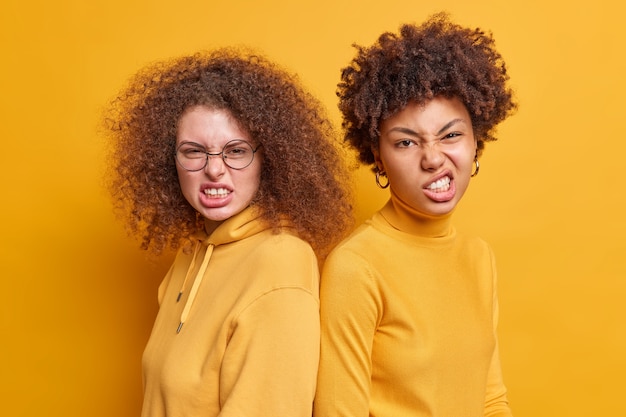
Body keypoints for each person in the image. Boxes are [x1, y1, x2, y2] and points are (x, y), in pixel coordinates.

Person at [104, 47, 352, 417]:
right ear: (167, 159)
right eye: (193, 151)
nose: (214, 170)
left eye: (236, 151)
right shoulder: (192, 256)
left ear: (269, 158)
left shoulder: (281, 262)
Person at [313, 13, 517, 417]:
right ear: (378, 158)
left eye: (451, 135)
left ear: (477, 140)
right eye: (406, 142)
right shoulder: (356, 268)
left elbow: (491, 400)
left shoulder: (479, 258)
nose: (433, 159)